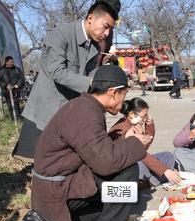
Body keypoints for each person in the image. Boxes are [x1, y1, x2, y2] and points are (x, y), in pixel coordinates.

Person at [31, 65, 151, 221]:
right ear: (113, 93)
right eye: (124, 94)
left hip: (62, 184)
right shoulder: (85, 113)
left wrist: (126, 140)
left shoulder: (85, 106)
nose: (123, 101)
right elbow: (106, 163)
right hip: (56, 193)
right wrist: (135, 143)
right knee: (128, 171)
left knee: (126, 196)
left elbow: (95, 149)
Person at [13, 0, 120, 162]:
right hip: (46, 110)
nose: (106, 33)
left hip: (70, 111)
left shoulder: (95, 47)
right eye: (106, 26)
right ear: (90, 18)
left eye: (110, 29)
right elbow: (56, 72)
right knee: (39, 161)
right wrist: (92, 82)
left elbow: (89, 75)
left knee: (62, 162)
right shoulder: (60, 34)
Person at [108, 97, 181, 186]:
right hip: (125, 166)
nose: (146, 118)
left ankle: (151, 180)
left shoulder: (135, 124)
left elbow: (145, 147)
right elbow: (140, 153)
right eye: (144, 116)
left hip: (140, 158)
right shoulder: (121, 128)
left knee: (168, 156)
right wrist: (164, 170)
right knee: (139, 164)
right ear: (132, 114)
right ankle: (149, 181)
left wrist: (149, 126)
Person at [0, 56, 25, 121]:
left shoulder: (16, 69)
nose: (12, 63)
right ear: (6, 62)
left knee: (16, 103)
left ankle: (18, 117)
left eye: (12, 62)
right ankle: (12, 118)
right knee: (9, 104)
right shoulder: (1, 70)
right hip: (6, 91)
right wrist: (5, 86)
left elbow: (21, 77)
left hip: (15, 90)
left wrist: (18, 84)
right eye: (10, 62)